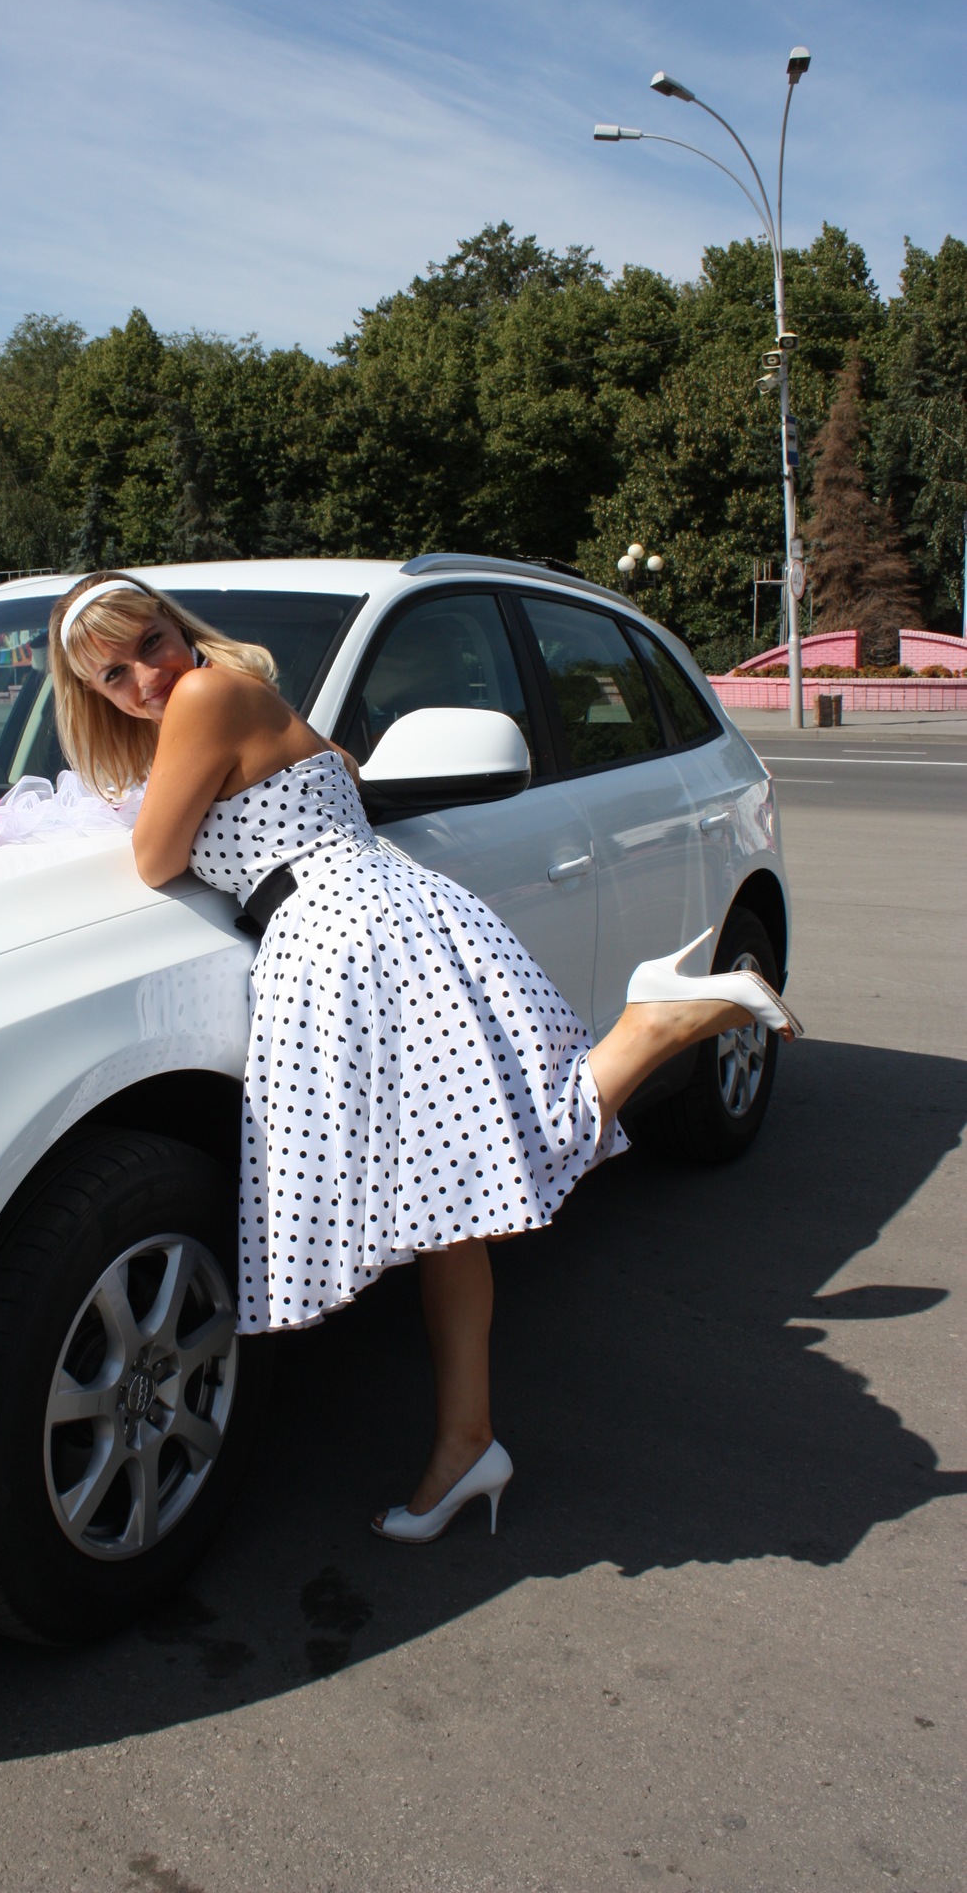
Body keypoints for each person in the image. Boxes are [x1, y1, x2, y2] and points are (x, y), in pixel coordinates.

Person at [51, 572, 800, 1543]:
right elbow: (320, 779)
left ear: (175, 628)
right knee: (454, 1206)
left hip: (347, 936)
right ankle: (466, 1442)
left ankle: (655, 1024)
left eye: (149, 643)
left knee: (500, 1151)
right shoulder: (246, 698)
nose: (144, 678)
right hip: (375, 917)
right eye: (113, 675)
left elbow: (156, 857)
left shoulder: (206, 691)